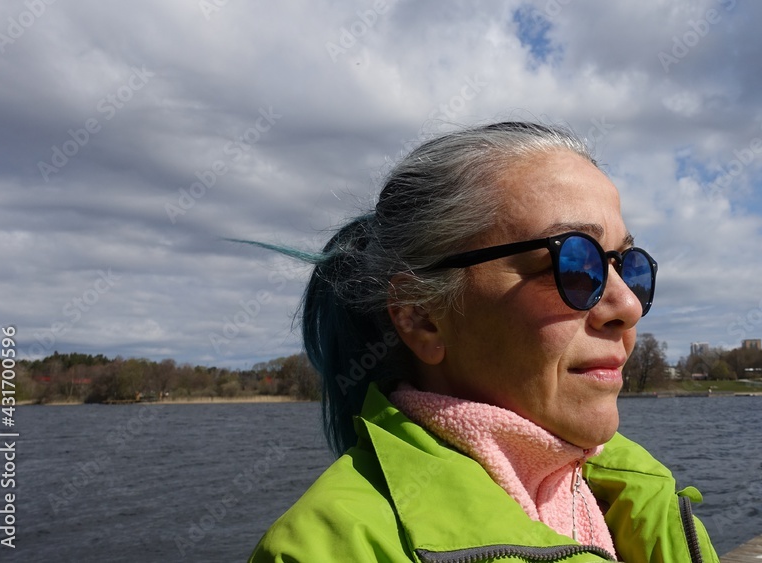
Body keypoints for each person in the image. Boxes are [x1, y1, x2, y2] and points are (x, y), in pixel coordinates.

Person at [247, 122, 720, 562]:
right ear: (421, 317)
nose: (628, 306)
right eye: (575, 265)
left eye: (627, 265)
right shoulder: (328, 549)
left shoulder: (645, 497)